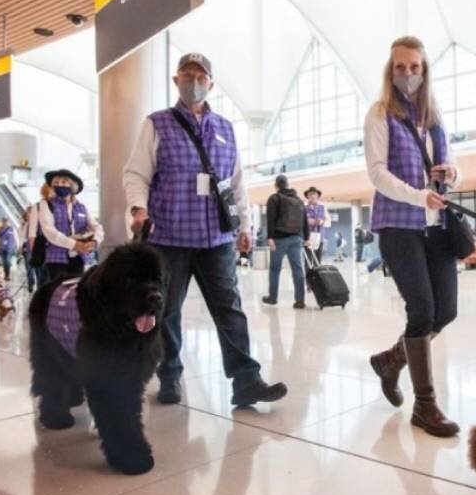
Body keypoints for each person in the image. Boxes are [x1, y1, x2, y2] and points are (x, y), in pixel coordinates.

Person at [124, 51, 287, 408]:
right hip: (169, 236)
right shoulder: (157, 123)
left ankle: (246, 380)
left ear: (210, 83)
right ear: (175, 80)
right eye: (187, 75)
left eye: (201, 77)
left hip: (216, 238)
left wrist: (245, 225)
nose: (194, 82)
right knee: (166, 310)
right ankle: (170, 375)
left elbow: (236, 184)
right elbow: (137, 173)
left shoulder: (226, 129)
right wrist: (138, 208)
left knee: (230, 309)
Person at [364, 36, 462, 438]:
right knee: (421, 309)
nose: (407, 73)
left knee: (447, 311)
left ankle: (391, 360)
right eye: (400, 67)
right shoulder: (380, 114)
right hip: (398, 224)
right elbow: (377, 173)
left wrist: (453, 175)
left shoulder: (434, 118)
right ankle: (425, 405)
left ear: (425, 71)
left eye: (415, 67)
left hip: (435, 227)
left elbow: (452, 164)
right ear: (391, 71)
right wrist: (420, 195)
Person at [38, 169, 101, 280]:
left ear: (72, 186)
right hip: (56, 258)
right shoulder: (46, 204)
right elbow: (49, 231)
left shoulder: (81, 207)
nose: (59, 185)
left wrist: (95, 241)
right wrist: (75, 244)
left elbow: (97, 227)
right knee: (57, 291)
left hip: (79, 257)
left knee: (76, 291)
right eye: (56, 183)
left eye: (63, 182)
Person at [262, 173, 308, 309]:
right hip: (297, 238)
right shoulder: (299, 200)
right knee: (298, 269)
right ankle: (300, 300)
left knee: (275, 269)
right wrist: (306, 237)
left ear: (276, 186)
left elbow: (270, 219)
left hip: (279, 239)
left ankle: (273, 297)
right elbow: (305, 221)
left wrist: (270, 237)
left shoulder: (274, 198)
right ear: (288, 185)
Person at [25, 183, 55, 289]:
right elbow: (32, 233)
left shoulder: (60, 206)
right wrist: (34, 253)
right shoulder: (37, 207)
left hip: (58, 250)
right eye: (52, 188)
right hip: (42, 249)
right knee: (43, 280)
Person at [304, 186, 329, 260]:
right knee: (308, 260)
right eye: (310, 194)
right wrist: (307, 221)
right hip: (308, 237)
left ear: (318, 196)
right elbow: (302, 222)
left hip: (319, 236)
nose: (312, 196)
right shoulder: (304, 208)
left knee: (318, 260)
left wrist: (322, 221)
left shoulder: (323, 207)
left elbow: (327, 220)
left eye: (314, 194)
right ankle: (308, 272)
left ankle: (317, 272)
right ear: (307, 196)